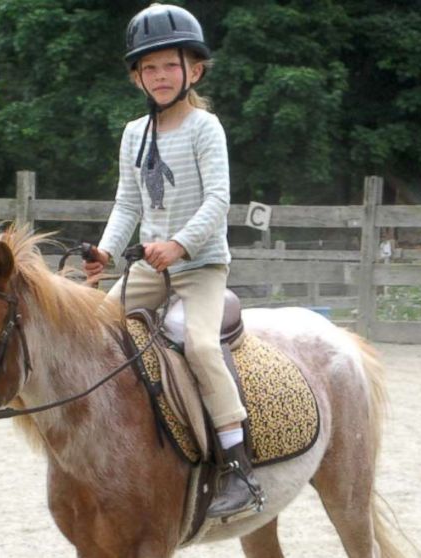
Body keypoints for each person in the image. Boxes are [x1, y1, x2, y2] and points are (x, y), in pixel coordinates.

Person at [83, 3, 263, 520]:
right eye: (149, 68)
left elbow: (218, 201)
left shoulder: (205, 128)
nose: (159, 76)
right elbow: (128, 204)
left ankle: (237, 464)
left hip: (200, 269)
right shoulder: (133, 134)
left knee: (203, 346)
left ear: (194, 70)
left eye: (169, 66)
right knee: (94, 330)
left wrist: (181, 246)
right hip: (148, 269)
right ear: (137, 75)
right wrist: (105, 251)